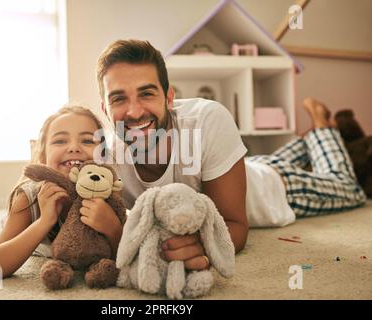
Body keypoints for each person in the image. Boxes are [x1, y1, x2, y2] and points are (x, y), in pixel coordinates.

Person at [96, 39, 367, 271]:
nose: (133, 112)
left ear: (169, 98)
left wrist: (202, 245)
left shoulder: (207, 119)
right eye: (118, 98)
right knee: (263, 162)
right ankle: (311, 139)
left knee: (349, 188)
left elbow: (235, 225)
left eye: (146, 93)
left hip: (276, 188)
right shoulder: (105, 156)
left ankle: (321, 126)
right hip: (238, 169)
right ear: (105, 109)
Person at [0, 105, 123, 279]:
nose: (73, 147)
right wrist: (44, 222)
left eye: (87, 141)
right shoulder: (29, 198)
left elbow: (127, 258)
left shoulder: (108, 193)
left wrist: (113, 229)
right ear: (43, 157)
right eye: (60, 141)